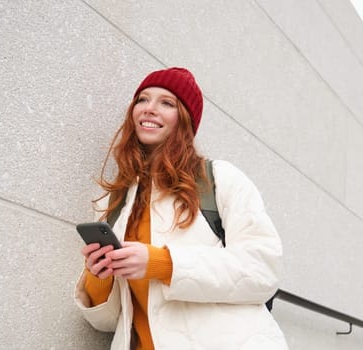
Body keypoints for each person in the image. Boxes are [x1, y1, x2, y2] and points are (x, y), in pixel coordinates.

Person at [73, 67, 288, 349]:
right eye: (142, 100)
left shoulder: (220, 179)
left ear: (185, 119)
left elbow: (262, 270)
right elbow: (109, 322)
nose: (150, 109)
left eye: (166, 103)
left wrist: (162, 263)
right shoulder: (115, 202)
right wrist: (98, 275)